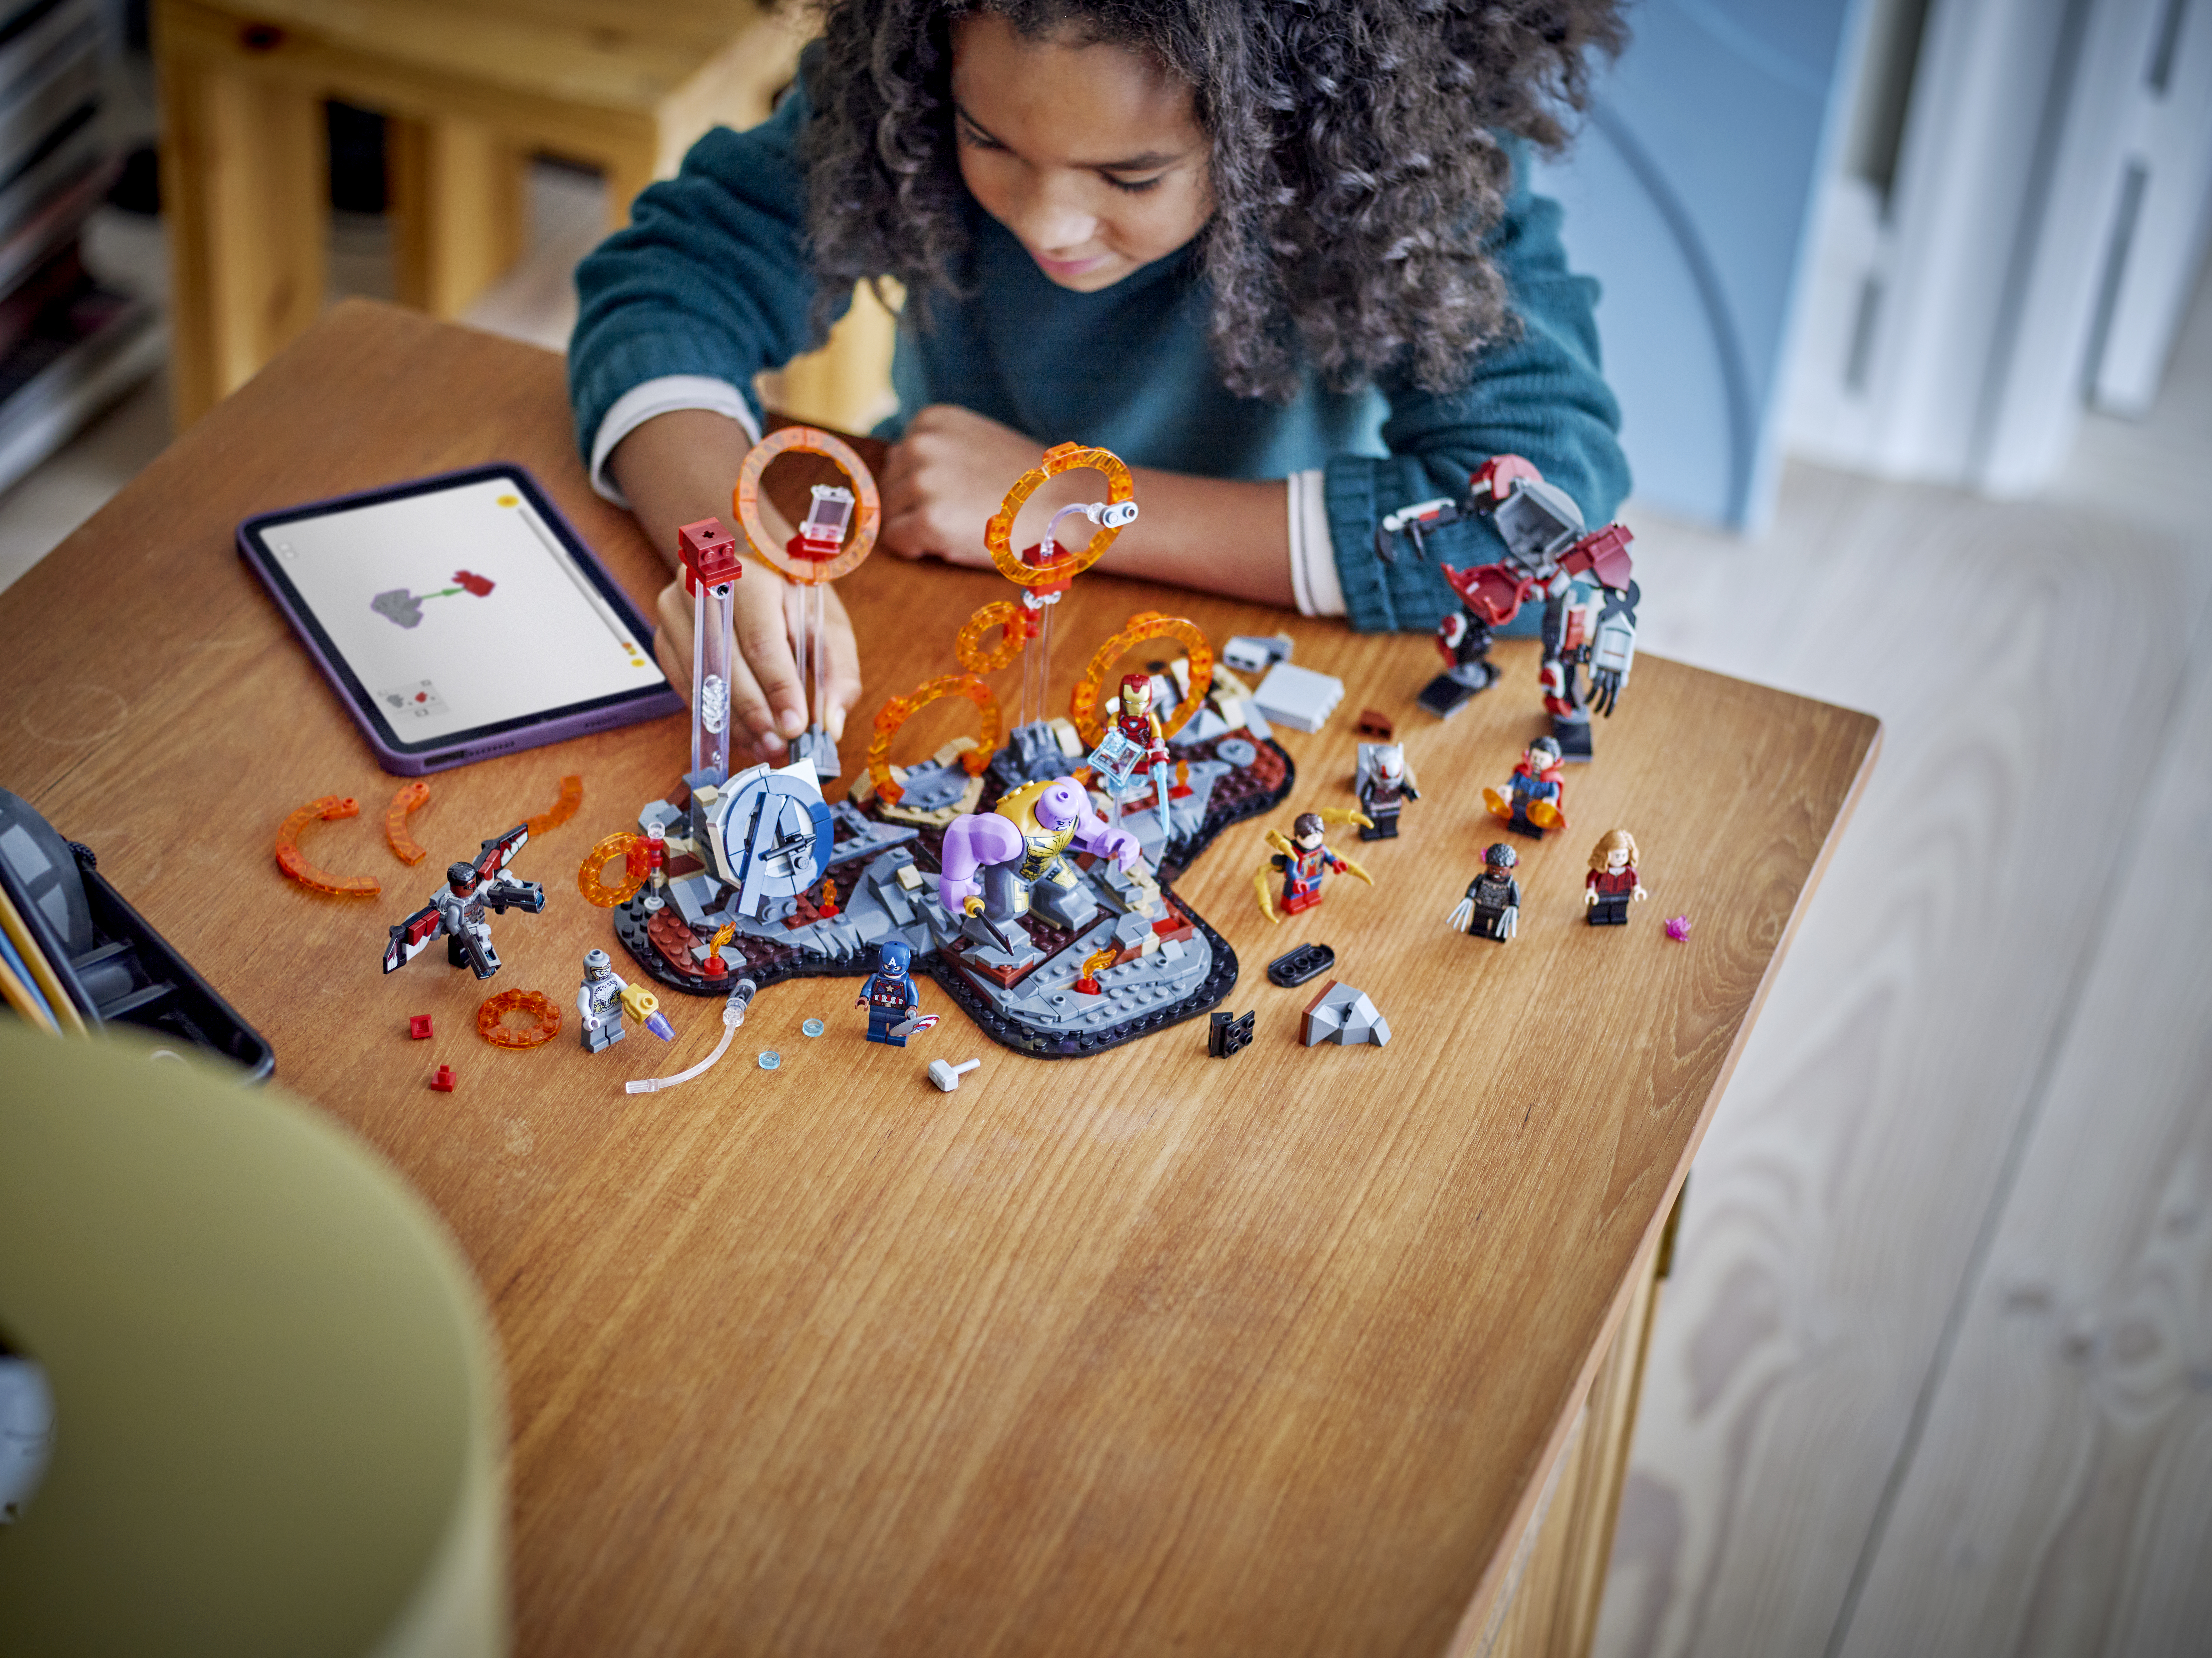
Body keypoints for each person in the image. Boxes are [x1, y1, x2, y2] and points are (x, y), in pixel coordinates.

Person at [570, 0, 1631, 767]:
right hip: (942, 581)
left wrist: (1071, 506)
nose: (1046, 222)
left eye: (1132, 177)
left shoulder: (1410, 168)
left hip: (1278, 631)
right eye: (987, 139)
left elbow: (1542, 523)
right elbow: (670, 285)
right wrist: (728, 555)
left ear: (1292, 129)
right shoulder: (912, 70)